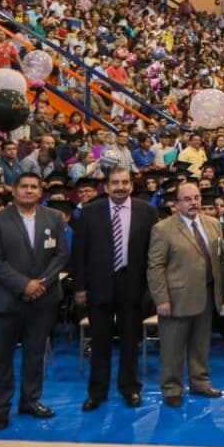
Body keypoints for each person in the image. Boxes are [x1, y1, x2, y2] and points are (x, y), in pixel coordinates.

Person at [0, 173, 68, 430]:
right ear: (15, 190)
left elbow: (61, 255)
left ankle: (30, 401)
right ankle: (0, 408)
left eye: (34, 187)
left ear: (41, 191)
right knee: (1, 358)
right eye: (24, 186)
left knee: (35, 355)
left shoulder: (53, 217)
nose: (29, 191)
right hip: (4, 301)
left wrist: (41, 283)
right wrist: (24, 285)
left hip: (43, 299)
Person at [71, 166, 158, 410]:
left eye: (125, 182)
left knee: (130, 342)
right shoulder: (89, 212)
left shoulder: (147, 212)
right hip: (99, 285)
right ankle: (97, 392)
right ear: (106, 186)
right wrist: (79, 287)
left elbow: (154, 252)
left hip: (133, 285)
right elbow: (79, 253)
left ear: (132, 185)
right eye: (115, 183)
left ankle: (129, 388)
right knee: (100, 342)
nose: (120, 187)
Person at [147, 182, 224, 407]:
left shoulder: (213, 224)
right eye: (187, 199)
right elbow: (155, 267)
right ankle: (172, 388)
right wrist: (161, 298)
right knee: (172, 347)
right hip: (175, 299)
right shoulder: (163, 229)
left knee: (201, 344)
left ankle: (200, 382)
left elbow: (221, 259)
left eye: (197, 198)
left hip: (207, 294)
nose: (193, 202)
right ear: (176, 204)